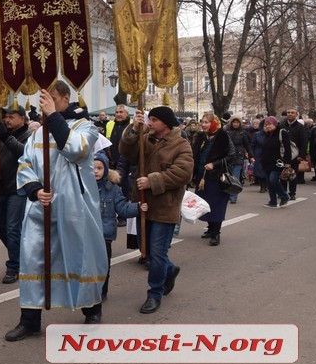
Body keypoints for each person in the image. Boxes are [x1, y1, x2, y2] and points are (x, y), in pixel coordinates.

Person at [4, 81, 106, 342]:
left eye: (51, 98)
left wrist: (54, 117)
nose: (44, 103)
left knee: (79, 257)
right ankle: (30, 320)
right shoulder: (38, 133)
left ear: (65, 97)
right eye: (43, 99)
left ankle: (91, 308)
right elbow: (24, 163)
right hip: (41, 206)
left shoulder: (85, 126)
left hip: (74, 206)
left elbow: (74, 150)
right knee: (32, 259)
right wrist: (35, 189)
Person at [119, 106, 193, 314]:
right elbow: (126, 152)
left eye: (154, 120)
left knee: (157, 253)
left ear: (166, 123)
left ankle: (155, 293)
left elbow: (183, 173)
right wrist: (133, 130)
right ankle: (170, 269)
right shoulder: (147, 139)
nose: (149, 123)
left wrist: (152, 181)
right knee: (147, 250)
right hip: (143, 204)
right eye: (149, 119)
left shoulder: (181, 145)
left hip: (165, 206)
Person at [93, 151, 145, 301]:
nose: (95, 171)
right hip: (87, 235)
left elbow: (123, 208)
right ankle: (89, 289)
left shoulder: (113, 190)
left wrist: (138, 207)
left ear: (106, 170)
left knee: (103, 266)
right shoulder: (83, 188)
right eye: (93, 168)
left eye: (99, 168)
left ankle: (102, 291)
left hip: (104, 235)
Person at [0, 106, 32, 284]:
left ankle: (14, 266)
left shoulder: (29, 136)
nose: (7, 120)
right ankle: (23, 256)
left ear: (22, 118)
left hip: (18, 188)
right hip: (2, 189)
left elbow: (24, 153)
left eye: (11, 117)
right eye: (5, 117)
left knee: (13, 228)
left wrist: (6, 137)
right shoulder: (2, 137)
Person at [192, 113, 235, 246]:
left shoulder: (223, 136)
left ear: (214, 123)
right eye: (202, 122)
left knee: (216, 205)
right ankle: (210, 229)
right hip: (202, 176)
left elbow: (231, 155)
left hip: (216, 177)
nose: (203, 124)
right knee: (204, 203)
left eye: (206, 122)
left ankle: (216, 233)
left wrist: (214, 164)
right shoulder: (200, 136)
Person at [260, 116, 292, 208]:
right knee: (269, 183)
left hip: (278, 162)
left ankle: (284, 196)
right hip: (266, 162)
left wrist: (287, 162)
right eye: (266, 124)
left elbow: (287, 148)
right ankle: (272, 201)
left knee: (273, 179)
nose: (268, 126)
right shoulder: (267, 134)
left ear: (275, 124)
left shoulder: (282, 132)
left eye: (269, 124)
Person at [224, 115, 253, 204]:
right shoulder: (226, 131)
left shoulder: (243, 133)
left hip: (238, 156)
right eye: (234, 122)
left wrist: (251, 156)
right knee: (227, 177)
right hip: (228, 156)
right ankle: (227, 195)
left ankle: (233, 197)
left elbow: (247, 145)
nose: (235, 124)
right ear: (231, 123)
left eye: (237, 122)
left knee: (235, 177)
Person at [281, 108, 309, 199]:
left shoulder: (300, 127)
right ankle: (283, 192)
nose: (290, 114)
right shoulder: (282, 125)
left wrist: (301, 155)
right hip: (283, 154)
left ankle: (292, 193)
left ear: (296, 114)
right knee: (283, 174)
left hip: (295, 155)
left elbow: (304, 142)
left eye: (292, 113)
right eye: (288, 112)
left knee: (293, 175)